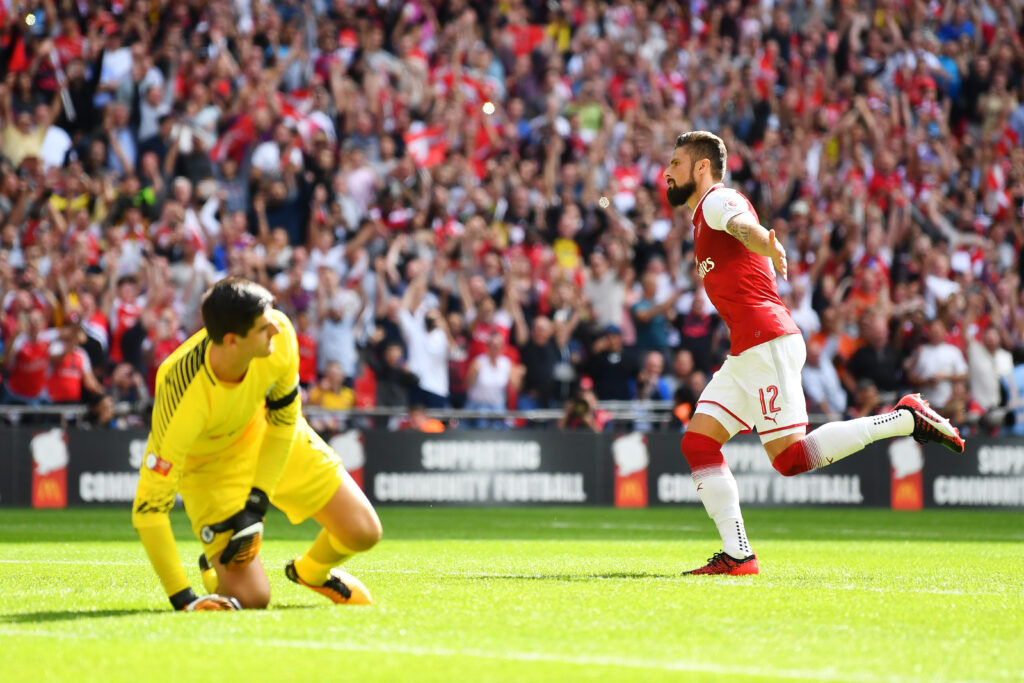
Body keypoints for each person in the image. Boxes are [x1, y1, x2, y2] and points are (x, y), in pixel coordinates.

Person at [663, 131, 964, 576]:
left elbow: (742, 226)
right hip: (747, 351)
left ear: (701, 167)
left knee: (790, 459)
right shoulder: (701, 218)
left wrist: (765, 241)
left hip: (766, 343)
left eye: (675, 163)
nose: (667, 172)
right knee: (698, 443)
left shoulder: (716, 201)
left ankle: (905, 417)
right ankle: (738, 555)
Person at [131, 278, 381, 611]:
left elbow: (285, 420)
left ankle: (311, 572)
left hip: (269, 433)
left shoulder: (280, 333)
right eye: (263, 327)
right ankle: (215, 572)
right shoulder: (181, 389)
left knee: (363, 532)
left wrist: (255, 504)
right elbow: (148, 509)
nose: (275, 328)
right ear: (232, 340)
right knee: (253, 600)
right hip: (211, 469)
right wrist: (184, 599)